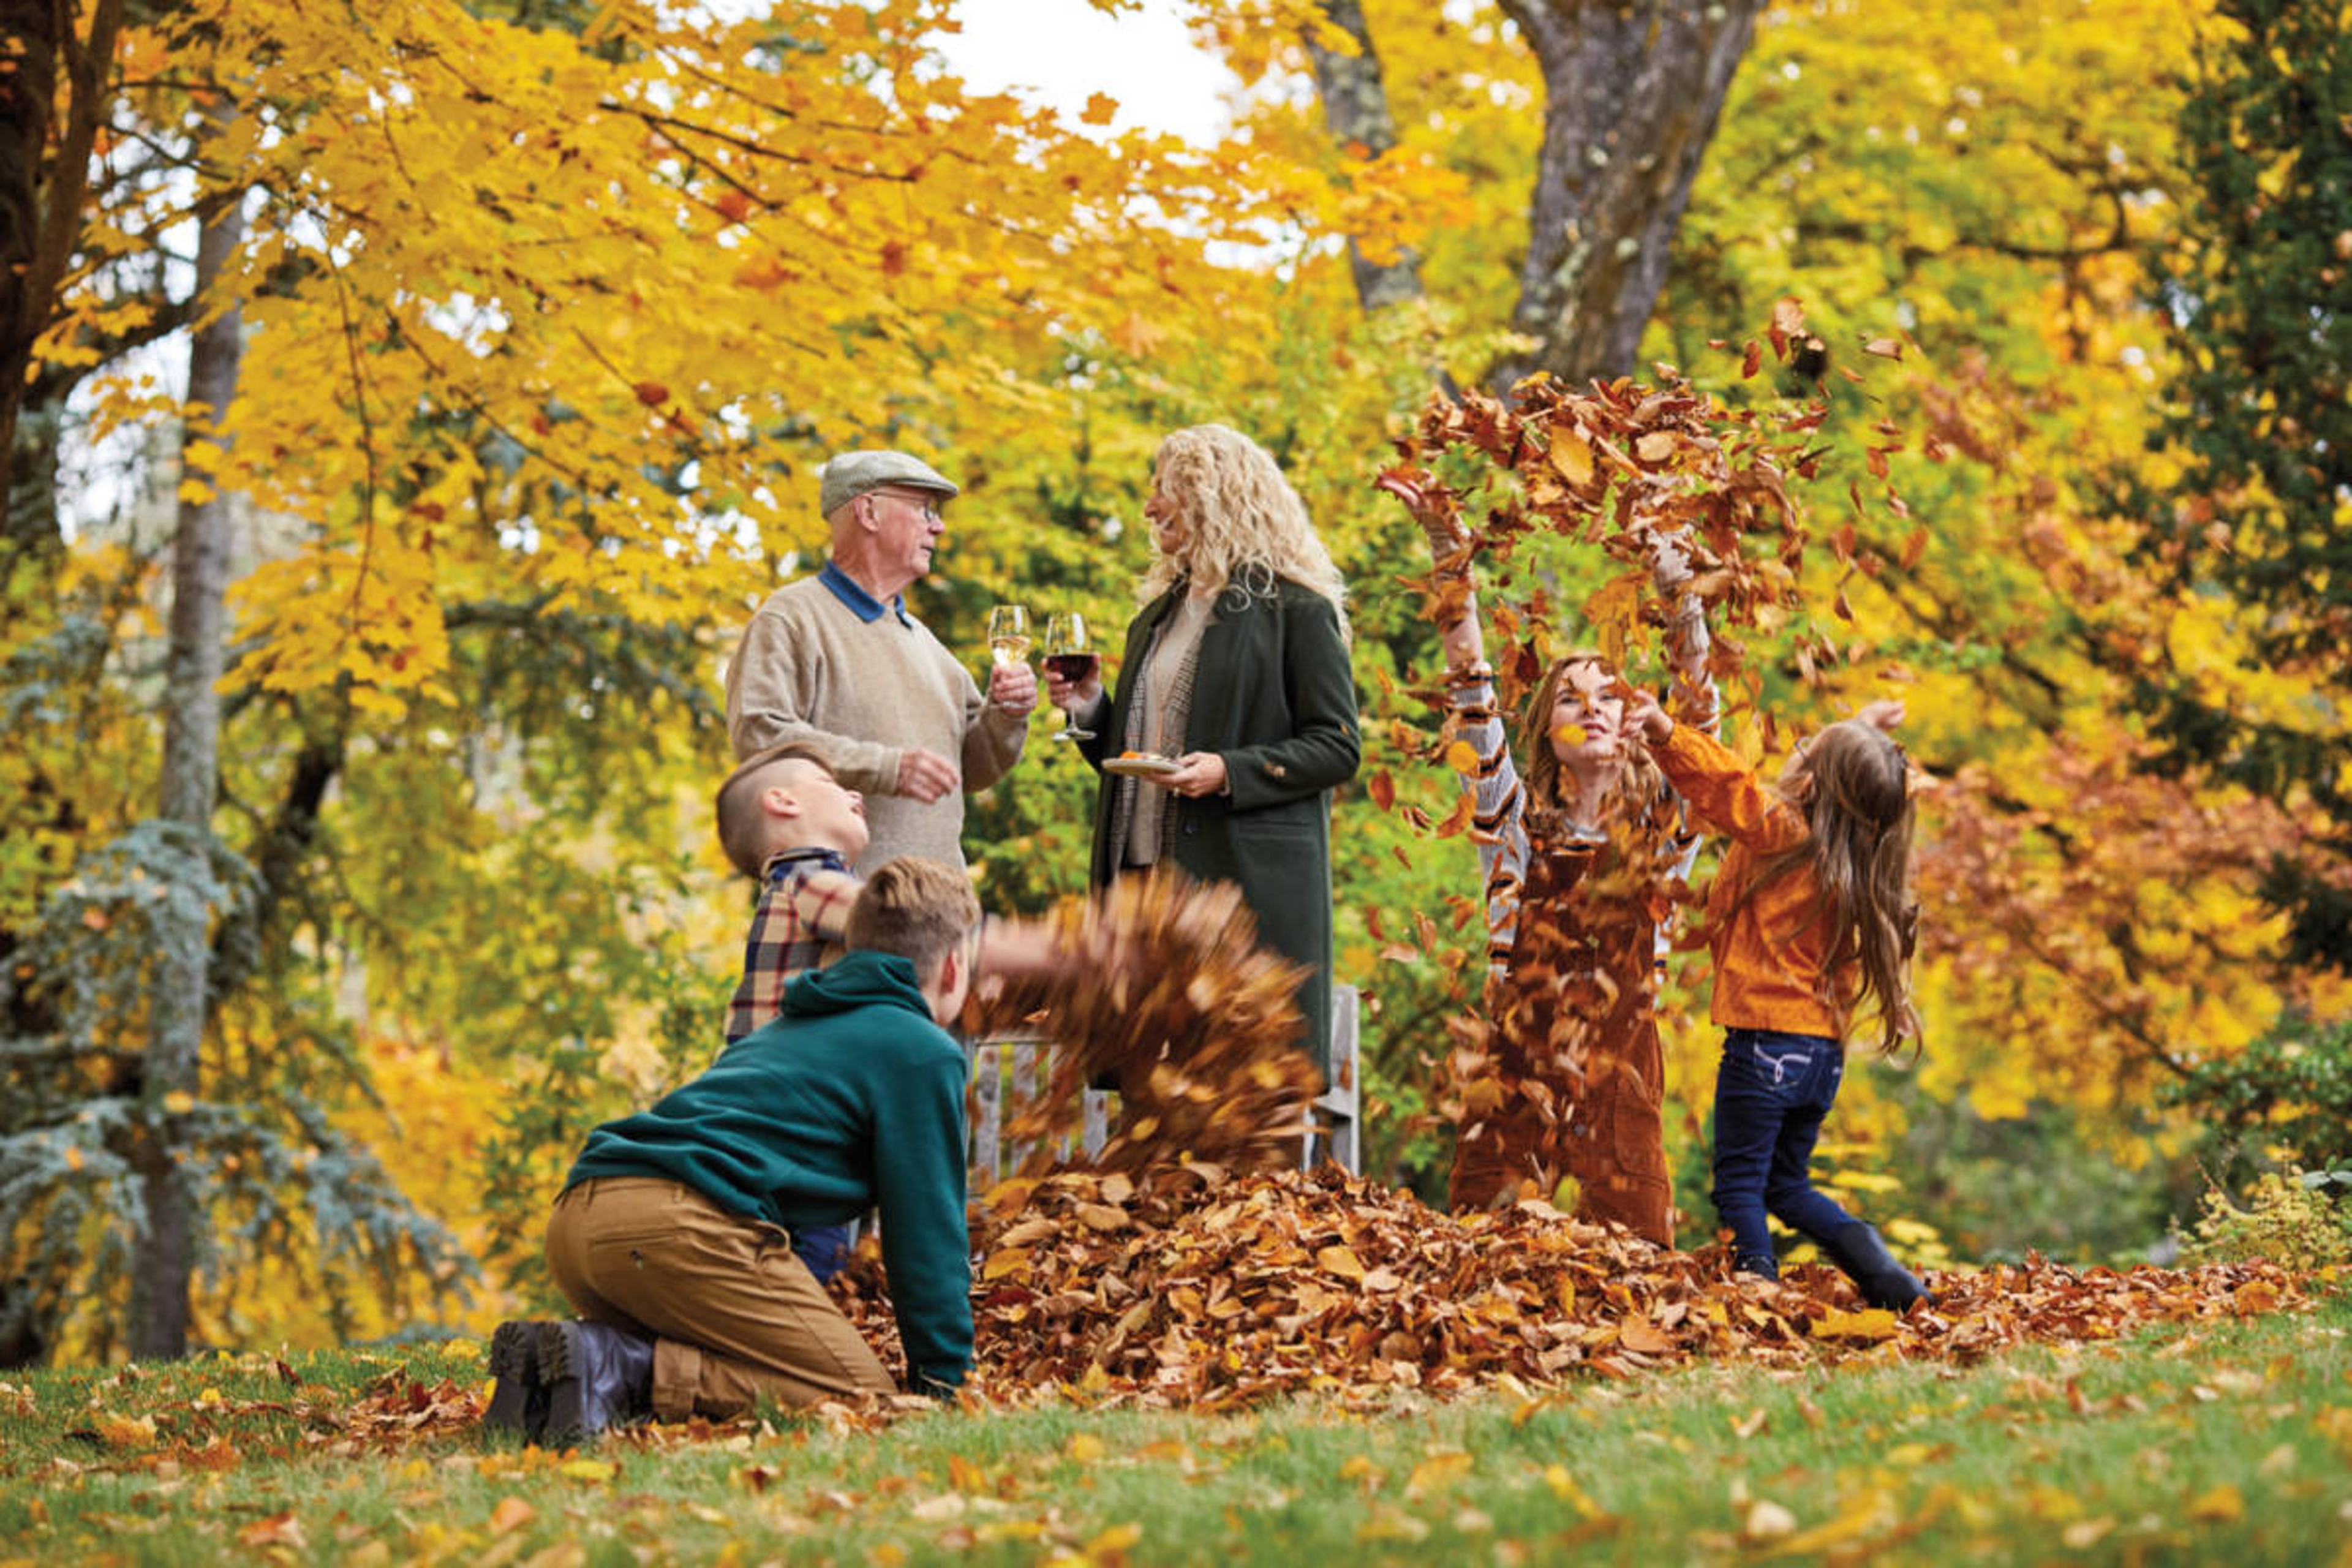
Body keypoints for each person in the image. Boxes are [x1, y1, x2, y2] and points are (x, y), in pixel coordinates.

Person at [483, 858, 984, 1444]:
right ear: (953, 968)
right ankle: (627, 1371)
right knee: (861, 1402)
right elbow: (925, 1237)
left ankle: (557, 1371)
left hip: (580, 1226)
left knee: (753, 1359)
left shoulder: (787, 1028)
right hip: (676, 1229)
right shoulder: (921, 1050)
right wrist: (947, 1388)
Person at [1379, 472, 1717, 1245]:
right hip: (1515, 1070)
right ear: (1545, 730)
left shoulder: (1663, 832)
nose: (1593, 706)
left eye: (1611, 695)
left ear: (1639, 724)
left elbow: (1700, 719)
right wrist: (1448, 553)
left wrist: (1683, 601)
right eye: (1571, 697)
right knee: (1487, 1255)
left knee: (1633, 1267)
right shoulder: (1512, 826)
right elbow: (1471, 689)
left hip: (1623, 1070)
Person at [1046, 424, 1360, 1077]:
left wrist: (1230, 772)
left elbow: (1336, 746)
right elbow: (1138, 758)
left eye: (1166, 487)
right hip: (1139, 893)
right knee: (1149, 1094)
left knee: (1238, 1094)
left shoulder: (1297, 611)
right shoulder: (1155, 617)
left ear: (1214, 493)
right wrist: (1089, 709)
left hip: (1235, 897)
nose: (1150, 504)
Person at [1627, 689, 1932, 1309]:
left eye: (1806, 754)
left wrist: (1664, 731)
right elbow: (1839, 776)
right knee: (1787, 1185)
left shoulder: (1784, 832)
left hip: (1765, 1044)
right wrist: (1863, 728)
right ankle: (1885, 1275)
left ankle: (1755, 1297)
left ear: (1819, 784)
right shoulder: (1857, 853)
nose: (1795, 758)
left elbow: (1727, 787)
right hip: (1819, 1055)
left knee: (1740, 1185)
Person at [712, 741, 1060, 1282]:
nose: (854, 792)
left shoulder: (822, 891)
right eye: (830, 783)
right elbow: (928, 935)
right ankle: (615, 1359)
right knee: (794, 1274)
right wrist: (1063, 954)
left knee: (803, 1268)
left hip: (786, 1128)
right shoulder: (803, 878)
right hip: (782, 1125)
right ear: (783, 802)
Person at [723, 449, 1036, 876]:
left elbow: (973, 771)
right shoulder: (791, 618)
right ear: (868, 511)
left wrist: (1006, 713)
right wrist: (886, 767)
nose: (939, 526)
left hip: (943, 915)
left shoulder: (928, 645)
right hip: (843, 915)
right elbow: (762, 735)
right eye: (924, 509)